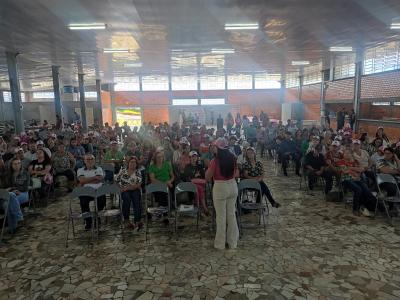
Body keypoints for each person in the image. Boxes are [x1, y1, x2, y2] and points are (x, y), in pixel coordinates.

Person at [205, 138, 239, 250]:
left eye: (215, 146)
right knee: (231, 215)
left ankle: (220, 244)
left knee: (221, 217)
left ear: (218, 148)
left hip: (220, 187)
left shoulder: (214, 161)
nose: (213, 148)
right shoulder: (233, 158)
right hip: (232, 186)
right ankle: (233, 242)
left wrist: (208, 168)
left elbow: (207, 177)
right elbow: (236, 173)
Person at [337, 149, 376, 216]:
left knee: (366, 190)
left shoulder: (355, 161)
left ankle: (365, 205)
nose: (347, 154)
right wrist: (355, 171)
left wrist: (350, 168)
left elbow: (362, 169)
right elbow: (345, 171)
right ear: (343, 154)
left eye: (349, 153)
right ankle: (355, 209)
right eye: (345, 153)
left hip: (357, 179)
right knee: (358, 189)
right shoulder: (341, 161)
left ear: (351, 154)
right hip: (346, 179)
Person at [77, 154, 106, 230]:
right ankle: (88, 221)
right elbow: (81, 180)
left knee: (102, 201)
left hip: (98, 190)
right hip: (86, 191)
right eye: (88, 159)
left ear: (94, 160)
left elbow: (99, 179)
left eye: (91, 159)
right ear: (84, 161)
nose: (90, 161)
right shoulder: (80, 170)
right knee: (83, 202)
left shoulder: (99, 168)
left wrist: (86, 181)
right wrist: (94, 177)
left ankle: (97, 217)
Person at [115, 156, 143, 230]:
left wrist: (127, 187)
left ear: (137, 164)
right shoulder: (123, 170)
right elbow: (116, 180)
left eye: (134, 162)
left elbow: (138, 184)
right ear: (128, 163)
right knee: (126, 199)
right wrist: (120, 188)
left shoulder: (138, 172)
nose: (132, 164)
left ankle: (137, 220)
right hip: (124, 190)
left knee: (136, 199)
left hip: (134, 189)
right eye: (131, 162)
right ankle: (126, 220)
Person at [183, 151, 209, 215]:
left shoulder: (200, 166)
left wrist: (199, 175)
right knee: (199, 189)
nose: (194, 158)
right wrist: (194, 175)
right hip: (191, 184)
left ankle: (198, 206)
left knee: (199, 188)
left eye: (195, 156)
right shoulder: (187, 167)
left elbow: (203, 176)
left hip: (200, 183)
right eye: (192, 157)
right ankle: (204, 207)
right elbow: (186, 178)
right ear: (190, 158)